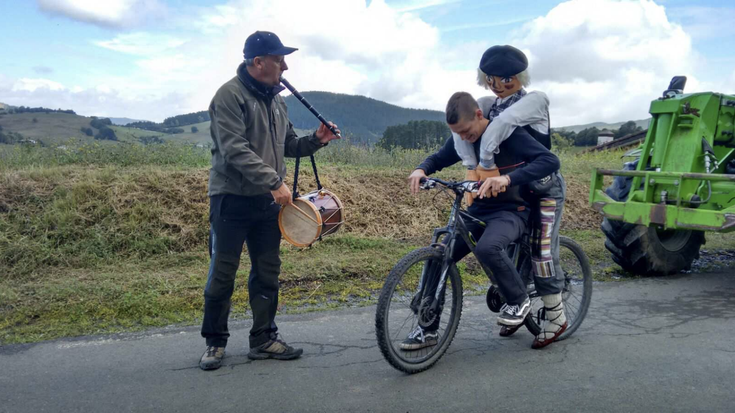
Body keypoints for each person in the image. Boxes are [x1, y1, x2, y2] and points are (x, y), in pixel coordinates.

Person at [199, 31, 341, 371]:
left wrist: (316, 140)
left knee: (267, 272)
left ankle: (263, 339)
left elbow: (288, 145)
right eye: (279, 60)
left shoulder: (278, 101)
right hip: (230, 201)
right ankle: (215, 342)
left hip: (266, 204)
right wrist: (274, 182)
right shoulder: (228, 97)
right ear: (258, 62)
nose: (285, 66)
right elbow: (235, 151)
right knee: (223, 273)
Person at [405, 92, 561, 350]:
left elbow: (549, 160)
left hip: (512, 210)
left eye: (467, 131)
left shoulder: (508, 135)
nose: (465, 138)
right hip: (479, 208)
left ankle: (519, 300)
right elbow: (440, 157)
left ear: (479, 114)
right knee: (440, 253)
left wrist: (507, 179)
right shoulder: (463, 139)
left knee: (487, 247)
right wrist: (421, 169)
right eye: (459, 134)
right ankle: (427, 329)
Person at [457, 45, 568, 347]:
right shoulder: (488, 105)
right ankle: (518, 304)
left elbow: (503, 125)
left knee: (541, 251)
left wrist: (486, 166)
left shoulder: (534, 101)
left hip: (543, 187)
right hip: (513, 190)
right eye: (492, 79)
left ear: (520, 76)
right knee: (502, 245)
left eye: (507, 79)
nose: (499, 85)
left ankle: (556, 315)